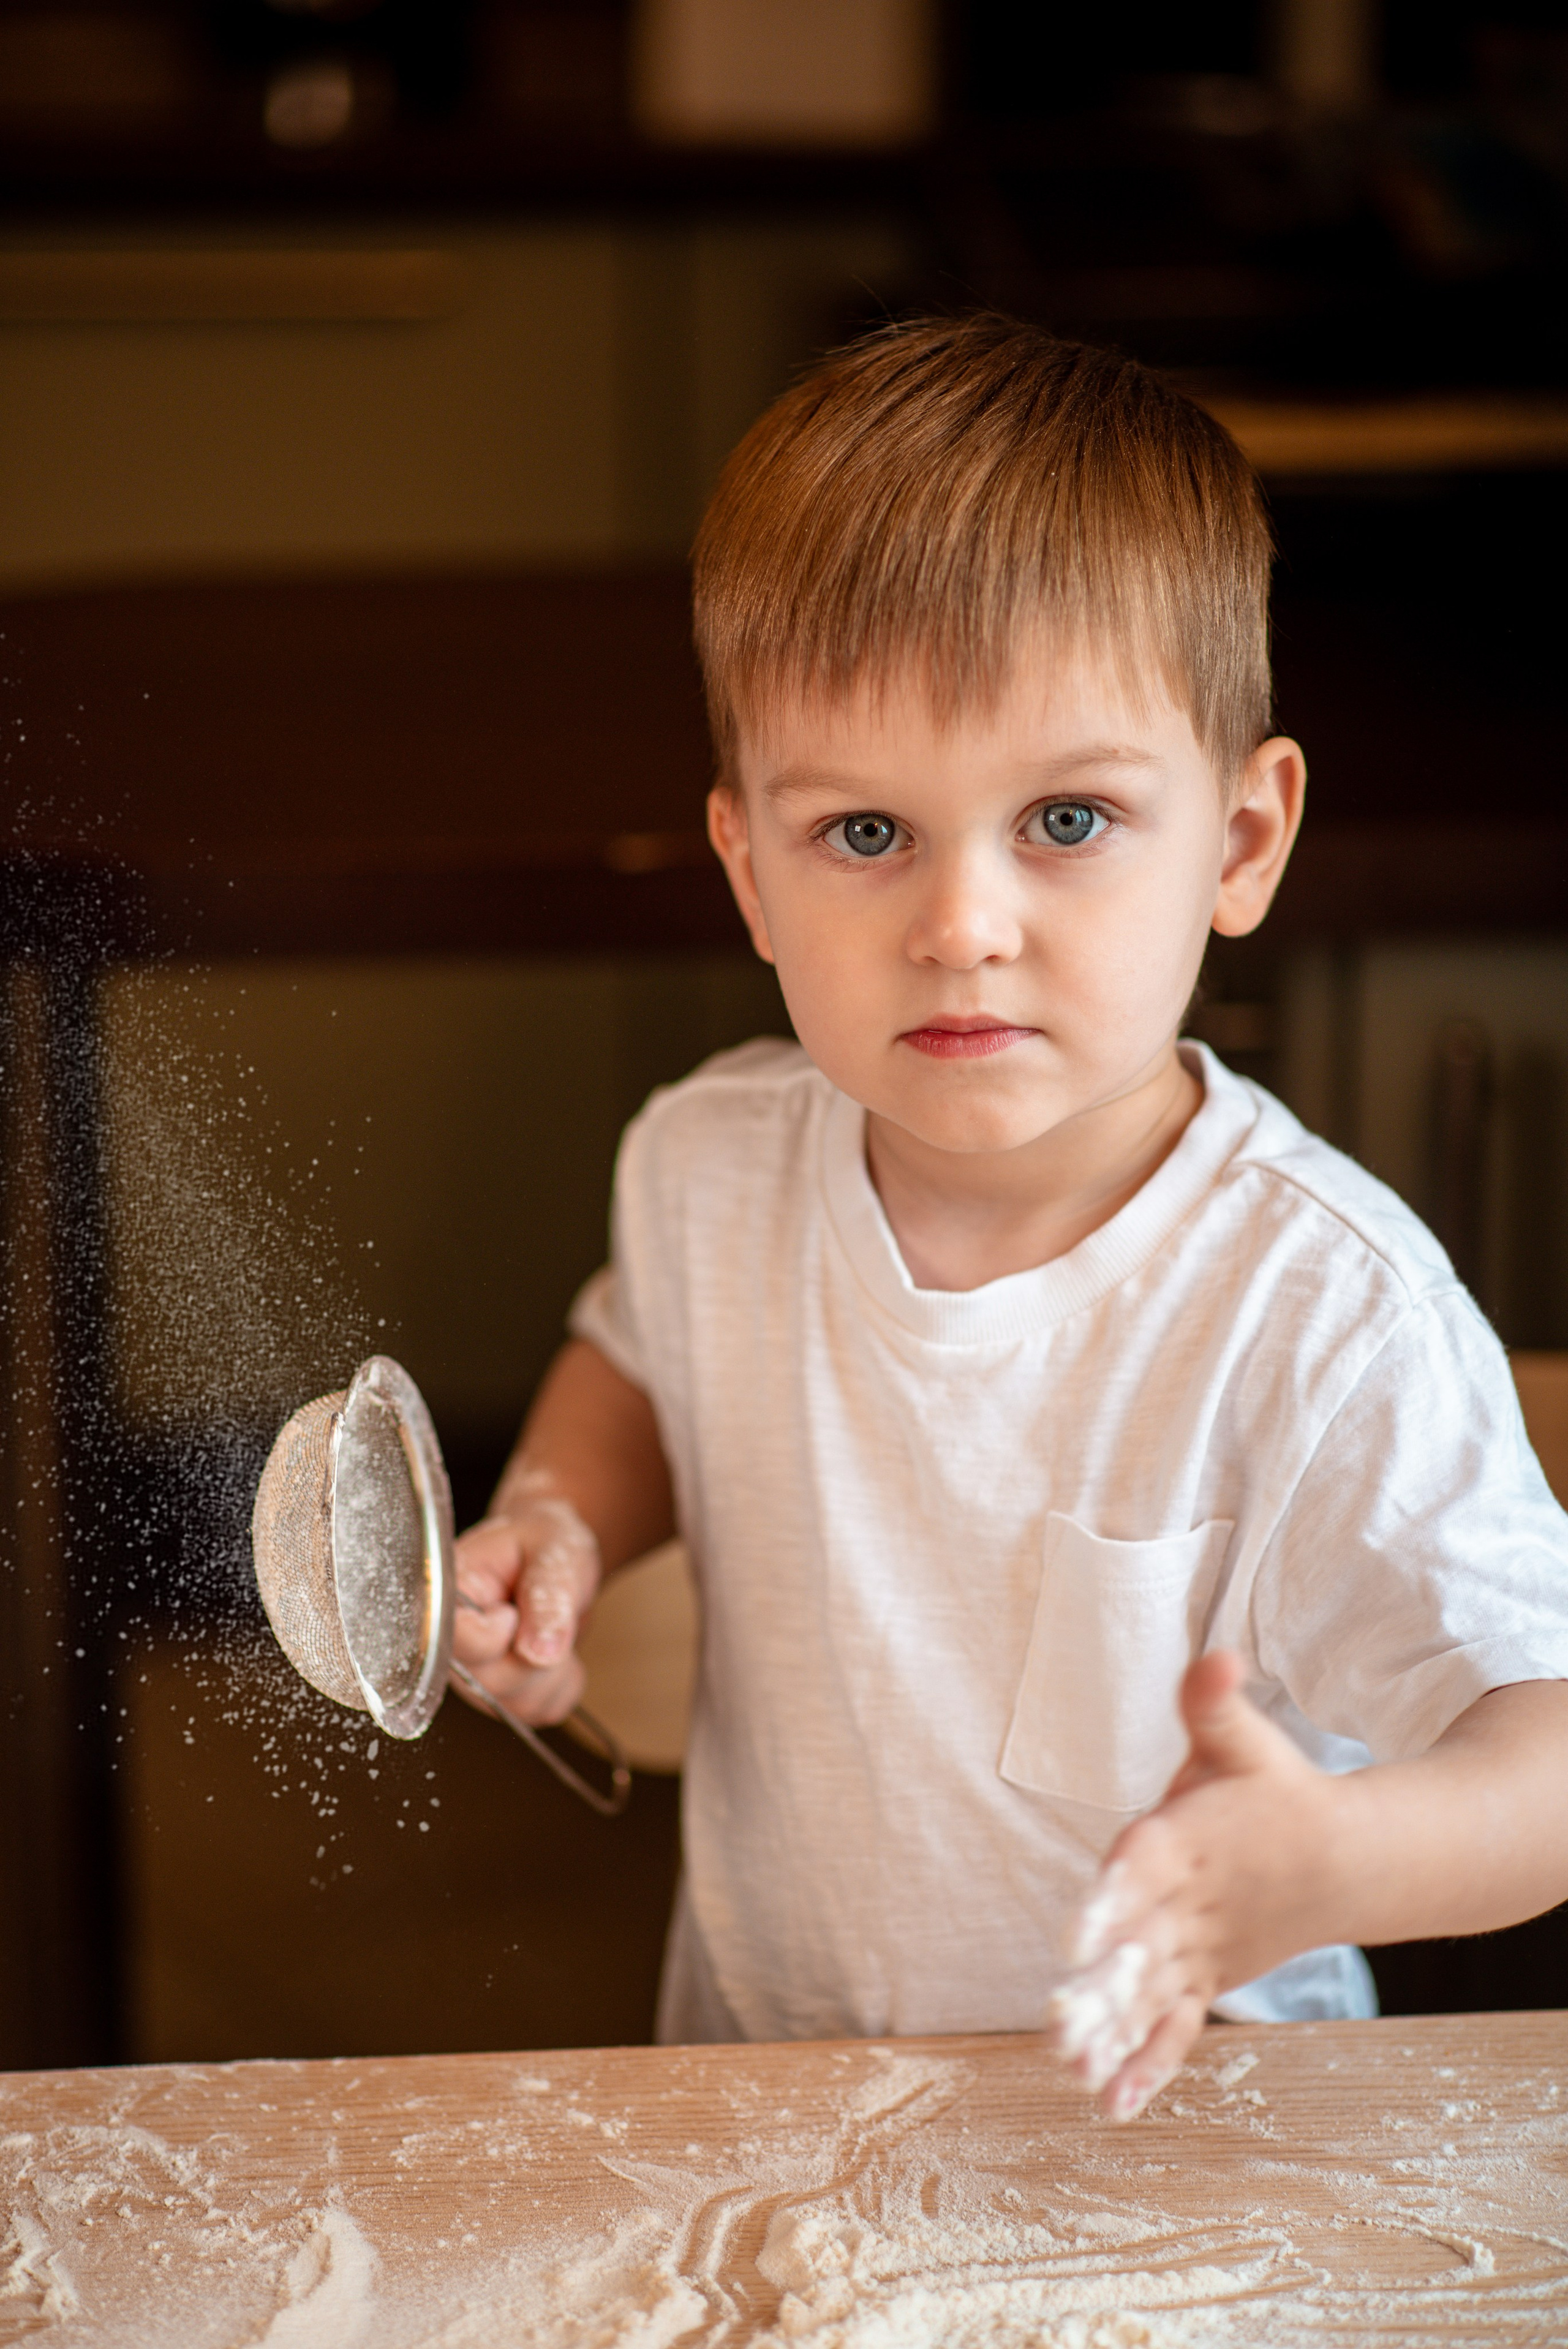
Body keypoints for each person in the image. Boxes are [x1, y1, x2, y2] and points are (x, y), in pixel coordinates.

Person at [452, 315, 1568, 2122]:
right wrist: (562, 1513)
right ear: (749, 870)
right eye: (865, 835)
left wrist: (1333, 1861)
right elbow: (638, 1355)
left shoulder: (1321, 1311)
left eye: (1066, 817)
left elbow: (1547, 1748)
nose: (962, 925)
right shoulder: (706, 1167)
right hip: (778, 2108)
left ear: (1241, 841)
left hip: (1189, 2154)